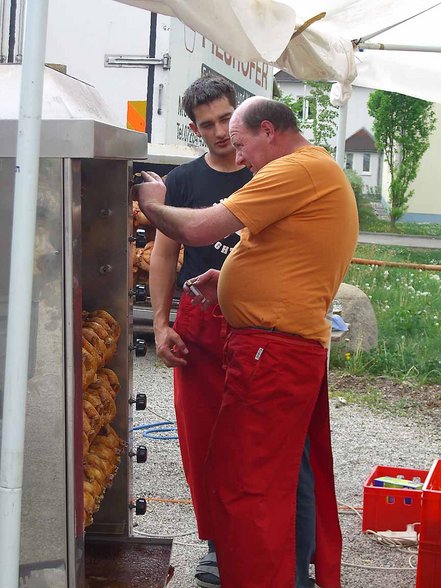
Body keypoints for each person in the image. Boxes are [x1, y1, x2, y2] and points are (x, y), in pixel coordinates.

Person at [135, 97, 359, 588]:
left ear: (268, 131)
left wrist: (151, 201)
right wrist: (234, 279)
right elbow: (291, 252)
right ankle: (289, 574)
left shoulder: (295, 170)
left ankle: (268, 578)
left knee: (250, 479)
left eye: (241, 145)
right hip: (277, 343)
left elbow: (198, 227)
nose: (239, 159)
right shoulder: (312, 168)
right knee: (281, 468)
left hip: (274, 348)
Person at [148, 76, 252, 587]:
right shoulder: (182, 183)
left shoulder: (266, 172)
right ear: (193, 128)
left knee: (258, 437)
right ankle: (215, 542)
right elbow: (166, 256)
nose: (219, 132)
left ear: (241, 114)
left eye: (225, 119)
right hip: (198, 326)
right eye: (206, 124)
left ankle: (266, 538)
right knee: (203, 438)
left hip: (256, 324)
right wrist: (161, 323)